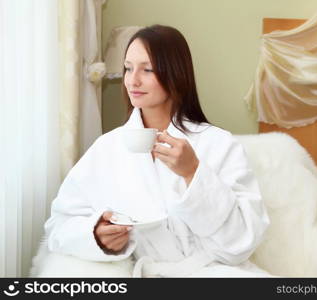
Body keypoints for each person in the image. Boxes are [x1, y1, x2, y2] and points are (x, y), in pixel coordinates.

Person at [44, 24, 271, 277]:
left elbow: (243, 241)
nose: (133, 80)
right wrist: (95, 235)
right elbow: (59, 226)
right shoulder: (108, 148)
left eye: (147, 69)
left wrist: (193, 173)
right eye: (128, 68)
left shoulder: (218, 144)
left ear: (176, 74)